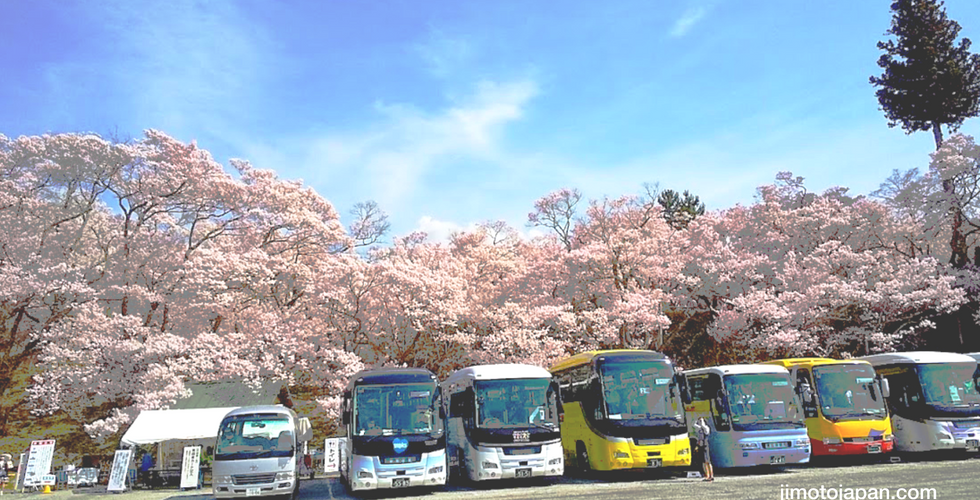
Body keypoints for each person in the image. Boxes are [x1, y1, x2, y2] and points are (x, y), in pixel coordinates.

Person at [694, 416, 714, 482]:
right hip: (701, 445)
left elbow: (704, 427)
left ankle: (711, 475)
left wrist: (702, 421)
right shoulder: (699, 429)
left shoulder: (706, 428)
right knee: (703, 462)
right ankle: (707, 475)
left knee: (707, 461)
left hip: (705, 445)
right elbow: (694, 425)